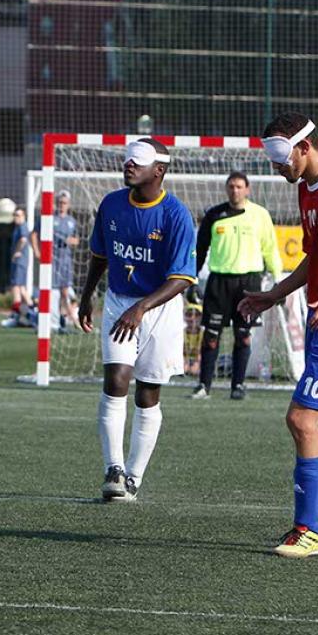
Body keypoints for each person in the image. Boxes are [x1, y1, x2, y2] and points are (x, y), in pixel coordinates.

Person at [78, 138, 196, 503]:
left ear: (159, 170)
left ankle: (134, 476)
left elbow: (181, 278)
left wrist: (142, 308)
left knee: (148, 391)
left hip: (160, 307)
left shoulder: (176, 215)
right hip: (118, 301)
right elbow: (99, 254)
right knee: (116, 378)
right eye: (127, 159)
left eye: (139, 161)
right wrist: (86, 296)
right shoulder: (112, 204)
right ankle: (113, 469)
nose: (129, 164)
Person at [238, 112, 318, 557]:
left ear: (305, 148)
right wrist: (274, 295)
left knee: (302, 419)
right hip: (314, 319)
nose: (276, 168)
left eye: (281, 158)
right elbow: (313, 259)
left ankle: (308, 530)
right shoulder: (308, 192)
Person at [190, 171, 282, 401]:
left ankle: (238, 386)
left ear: (247, 189)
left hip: (248, 282)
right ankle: (204, 386)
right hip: (218, 281)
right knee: (211, 336)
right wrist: (191, 280)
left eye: (239, 186)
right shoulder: (214, 215)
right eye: (231, 186)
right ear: (226, 188)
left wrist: (278, 279)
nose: (235, 190)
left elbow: (270, 248)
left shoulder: (260, 215)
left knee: (243, 336)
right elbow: (200, 250)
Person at [51, 190, 81, 331]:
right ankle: (55, 321)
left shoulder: (71, 221)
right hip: (51, 261)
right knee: (53, 292)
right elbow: (35, 234)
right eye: (59, 202)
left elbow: (77, 240)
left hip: (65, 261)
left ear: (68, 205)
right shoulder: (50, 219)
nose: (61, 205)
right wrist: (39, 252)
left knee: (65, 292)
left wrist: (71, 241)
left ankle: (70, 319)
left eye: (64, 203)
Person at [2, 207, 36, 327]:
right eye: (15, 215)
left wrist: (17, 251)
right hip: (20, 261)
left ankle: (15, 316)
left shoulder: (22, 226)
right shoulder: (17, 227)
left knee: (16, 287)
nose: (16, 217)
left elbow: (23, 240)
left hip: (20, 261)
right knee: (21, 288)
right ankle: (34, 311)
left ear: (23, 216)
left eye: (18, 215)